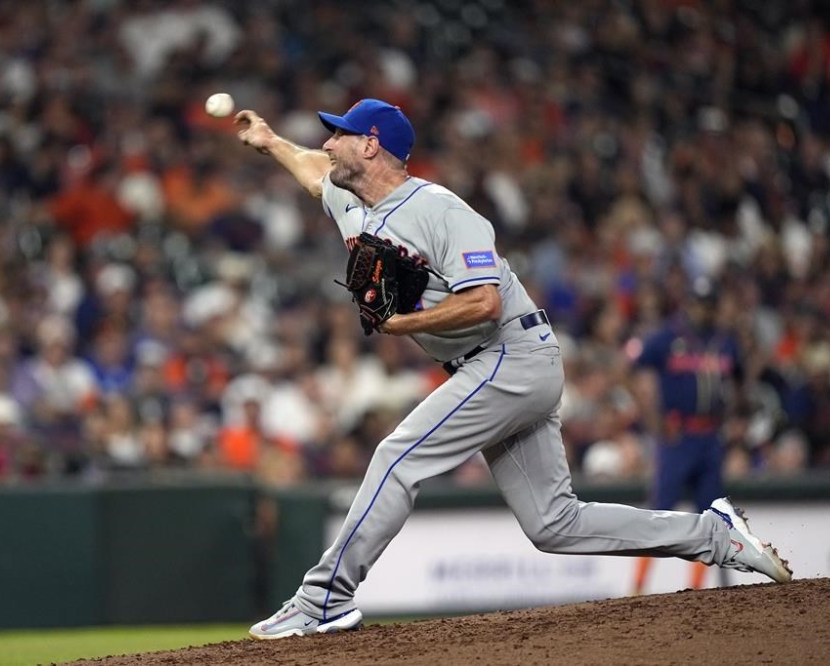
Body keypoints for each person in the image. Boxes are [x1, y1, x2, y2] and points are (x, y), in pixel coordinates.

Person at [234, 98, 792, 640]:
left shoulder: (440, 210)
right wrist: (271, 143)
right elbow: (312, 172)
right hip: (483, 365)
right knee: (554, 525)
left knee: (398, 456)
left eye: (340, 134)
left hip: (512, 354)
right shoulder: (346, 195)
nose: (328, 144)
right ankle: (716, 536)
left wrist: (401, 323)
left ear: (372, 145)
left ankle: (322, 599)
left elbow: (484, 302)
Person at [630, 278, 742, 594]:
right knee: (658, 513)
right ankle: (637, 587)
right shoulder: (668, 336)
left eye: (708, 304)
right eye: (698, 303)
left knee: (712, 517)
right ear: (689, 304)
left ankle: (697, 591)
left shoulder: (725, 340)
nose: (703, 310)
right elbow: (633, 370)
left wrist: (734, 420)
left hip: (710, 436)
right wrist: (652, 420)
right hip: (677, 437)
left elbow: (739, 380)